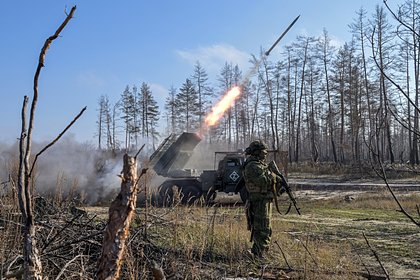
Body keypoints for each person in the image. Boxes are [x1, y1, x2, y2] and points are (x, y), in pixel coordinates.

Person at [242, 140, 279, 258]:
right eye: (264, 151)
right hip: (259, 200)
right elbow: (263, 181)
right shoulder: (252, 166)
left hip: (264, 199)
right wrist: (273, 176)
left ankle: (261, 251)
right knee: (262, 227)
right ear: (257, 152)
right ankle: (258, 254)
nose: (266, 153)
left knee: (265, 227)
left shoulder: (260, 165)